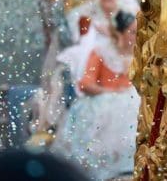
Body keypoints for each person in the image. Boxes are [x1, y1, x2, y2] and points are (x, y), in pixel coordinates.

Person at [52, 11, 139, 180]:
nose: (136, 36)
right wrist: (111, 93)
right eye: (132, 32)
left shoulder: (141, 55)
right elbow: (85, 84)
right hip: (104, 104)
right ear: (119, 33)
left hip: (133, 102)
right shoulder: (101, 52)